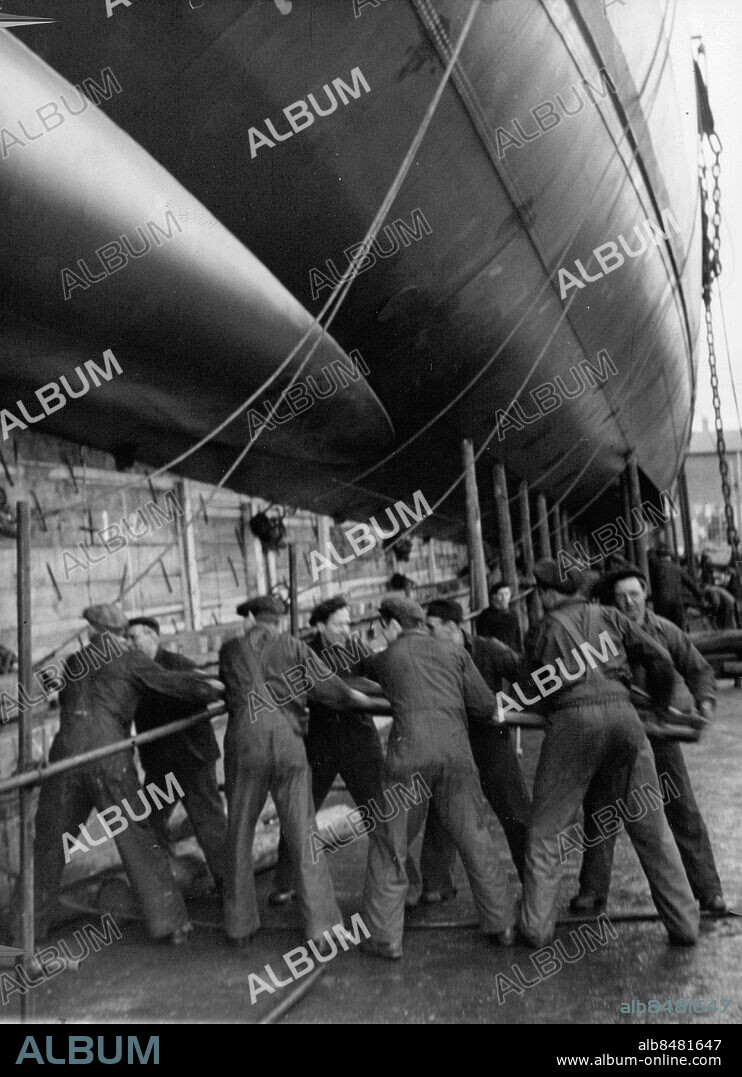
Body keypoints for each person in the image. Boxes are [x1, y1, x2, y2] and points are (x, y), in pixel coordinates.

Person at [519, 561, 700, 948]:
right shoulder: (611, 616)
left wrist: (552, 709)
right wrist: (659, 708)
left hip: (572, 721)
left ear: (547, 594)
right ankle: (686, 925)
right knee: (652, 827)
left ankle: (536, 930)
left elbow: (528, 689)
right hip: (626, 720)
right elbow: (660, 659)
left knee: (546, 831)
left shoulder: (543, 628)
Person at [24, 605, 223, 944]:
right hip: (109, 760)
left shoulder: (74, 663)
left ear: (92, 632)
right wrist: (215, 687)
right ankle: (171, 925)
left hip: (64, 760)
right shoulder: (130, 659)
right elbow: (173, 684)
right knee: (137, 839)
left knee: (48, 845)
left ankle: (23, 934)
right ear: (119, 634)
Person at [219, 595, 379, 950]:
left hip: (245, 743)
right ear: (277, 621)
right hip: (288, 742)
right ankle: (322, 928)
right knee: (305, 831)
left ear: (250, 619)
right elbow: (332, 690)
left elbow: (229, 690)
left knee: (239, 831)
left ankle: (239, 925)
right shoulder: (294, 647)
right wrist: (366, 700)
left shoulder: (230, 650)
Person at [361, 595, 515, 960]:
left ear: (392, 625)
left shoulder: (388, 657)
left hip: (409, 757)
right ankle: (503, 924)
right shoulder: (455, 652)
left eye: (382, 627)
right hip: (456, 755)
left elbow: (363, 668)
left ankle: (385, 938)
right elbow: (485, 706)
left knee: (391, 843)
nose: (382, 634)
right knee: (475, 838)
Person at [571, 568, 726, 916]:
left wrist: (704, 702)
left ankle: (708, 890)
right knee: (601, 809)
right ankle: (592, 891)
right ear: (612, 602)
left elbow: (699, 669)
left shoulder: (665, 631)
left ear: (645, 595)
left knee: (681, 807)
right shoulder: (602, 635)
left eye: (635, 595)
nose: (629, 603)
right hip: (617, 733)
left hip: (659, 734)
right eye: (621, 597)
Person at [270, 595, 386, 904]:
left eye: (348, 623)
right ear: (321, 626)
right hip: (320, 745)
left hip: (360, 742)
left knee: (379, 812)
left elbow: (381, 672)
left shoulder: (356, 647)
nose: (346, 630)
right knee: (299, 813)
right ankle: (284, 883)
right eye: (339, 625)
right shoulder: (305, 653)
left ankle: (404, 882)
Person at [413, 598, 531, 901]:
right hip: (453, 742)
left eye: (431, 627)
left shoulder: (489, 649)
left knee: (514, 811)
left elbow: (527, 675)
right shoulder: (430, 655)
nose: (426, 633)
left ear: (453, 627)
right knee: (443, 810)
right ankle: (437, 884)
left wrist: (509, 706)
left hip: (492, 743)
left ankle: (534, 881)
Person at [128, 616, 227, 896]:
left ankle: (230, 891)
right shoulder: (135, 673)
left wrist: (178, 689)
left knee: (209, 827)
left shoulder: (178, 665)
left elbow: (213, 688)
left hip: (192, 762)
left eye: (133, 637)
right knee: (150, 824)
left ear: (152, 636)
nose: (129, 644)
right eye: (126, 638)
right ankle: (168, 884)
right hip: (161, 768)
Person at [648, 545, 703, 629]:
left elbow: (652, 586)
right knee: (678, 629)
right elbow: (690, 584)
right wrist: (700, 596)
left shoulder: (654, 569)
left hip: (661, 604)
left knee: (663, 629)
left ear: (659, 557)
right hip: (676, 603)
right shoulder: (677, 568)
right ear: (669, 556)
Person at [476, 581, 523, 651]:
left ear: (510, 595)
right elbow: (484, 641)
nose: (504, 598)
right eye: (500, 595)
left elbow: (518, 639)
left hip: (512, 654)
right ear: (494, 597)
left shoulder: (513, 615)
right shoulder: (485, 616)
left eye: (506, 594)